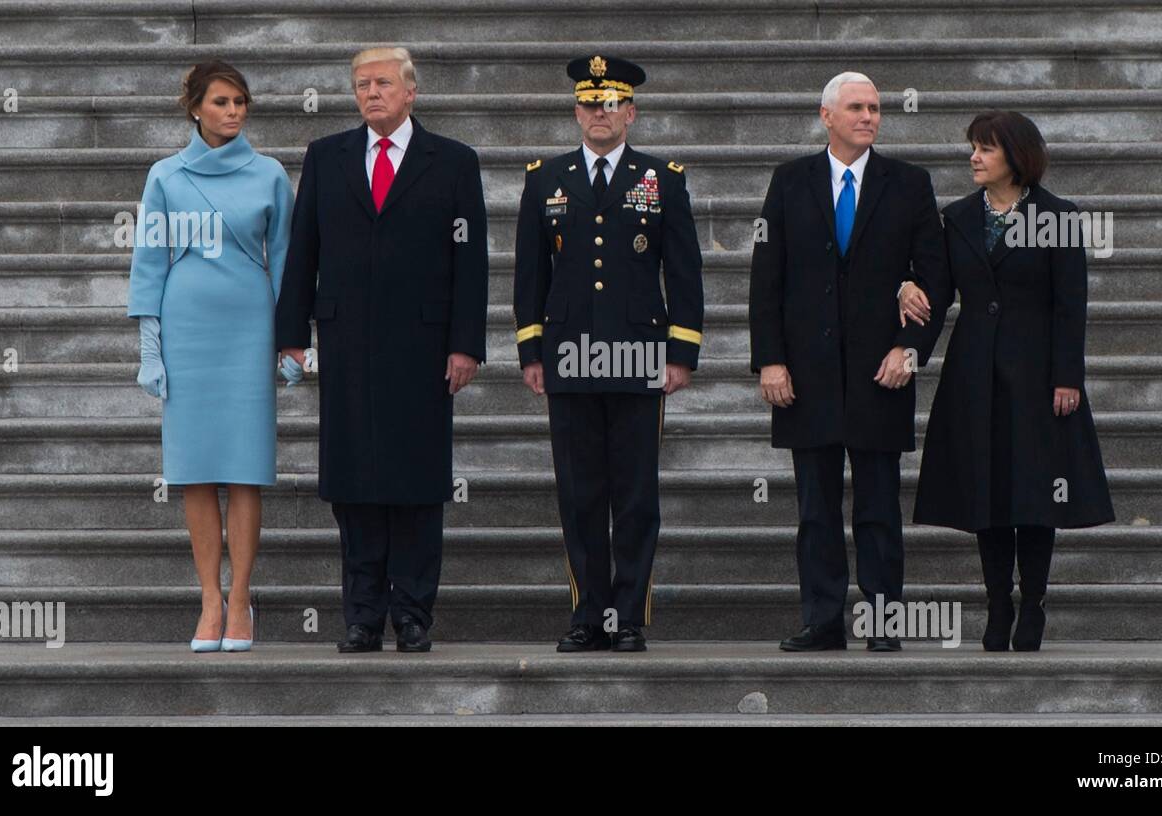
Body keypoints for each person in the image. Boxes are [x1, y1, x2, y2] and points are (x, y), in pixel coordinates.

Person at [275, 46, 488, 654]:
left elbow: (471, 265)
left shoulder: (452, 162)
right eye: (362, 84)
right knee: (355, 484)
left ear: (411, 91)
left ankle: (414, 614)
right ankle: (362, 616)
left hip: (423, 348)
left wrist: (465, 344)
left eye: (384, 83)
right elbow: (303, 250)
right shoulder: (326, 157)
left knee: (417, 483)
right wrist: (292, 333)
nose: (372, 93)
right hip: (347, 344)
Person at [748, 71, 947, 652]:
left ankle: (884, 622)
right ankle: (822, 620)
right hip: (804, 378)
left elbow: (936, 277)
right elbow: (768, 280)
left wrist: (910, 351)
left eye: (876, 108)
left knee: (880, 509)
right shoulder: (789, 182)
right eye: (857, 107)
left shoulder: (909, 184)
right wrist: (770, 361)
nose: (869, 116)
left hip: (880, 375)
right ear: (826, 115)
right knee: (815, 511)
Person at [513, 55, 704, 652]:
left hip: (639, 354)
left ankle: (627, 616)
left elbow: (686, 273)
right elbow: (528, 273)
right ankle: (586, 612)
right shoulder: (545, 178)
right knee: (579, 493)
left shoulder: (662, 179)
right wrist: (531, 350)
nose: (602, 113)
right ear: (577, 112)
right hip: (569, 355)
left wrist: (681, 353)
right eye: (592, 104)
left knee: (636, 491)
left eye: (613, 104)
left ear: (632, 113)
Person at [910, 110, 1114, 651]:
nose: (973, 157)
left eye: (985, 149)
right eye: (972, 147)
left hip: (1038, 377)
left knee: (1034, 495)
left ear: (1016, 156)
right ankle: (997, 605)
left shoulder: (1058, 216)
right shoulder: (955, 218)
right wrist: (907, 338)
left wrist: (1068, 377)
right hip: (974, 375)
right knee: (988, 492)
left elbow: (1072, 307)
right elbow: (935, 298)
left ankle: (1034, 605)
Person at [126, 60, 293, 653]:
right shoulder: (165, 177)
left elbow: (288, 263)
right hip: (187, 330)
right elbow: (148, 262)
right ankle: (209, 601)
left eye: (241, 102)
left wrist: (292, 339)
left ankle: (242, 600)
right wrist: (151, 349)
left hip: (248, 331)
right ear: (195, 106)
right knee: (194, 471)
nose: (233, 112)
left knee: (246, 471)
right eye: (221, 102)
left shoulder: (270, 174)